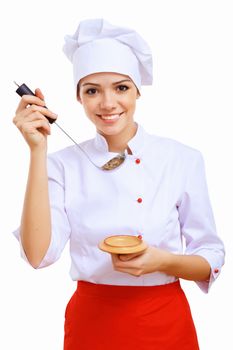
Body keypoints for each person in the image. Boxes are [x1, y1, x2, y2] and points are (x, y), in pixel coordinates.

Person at [13, 18, 225, 350]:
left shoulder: (182, 158)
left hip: (165, 320)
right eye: (92, 90)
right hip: (92, 323)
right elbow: (38, 256)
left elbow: (210, 254)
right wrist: (38, 151)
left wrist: (163, 261)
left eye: (121, 87)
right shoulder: (61, 165)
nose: (108, 103)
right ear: (78, 98)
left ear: (138, 91)